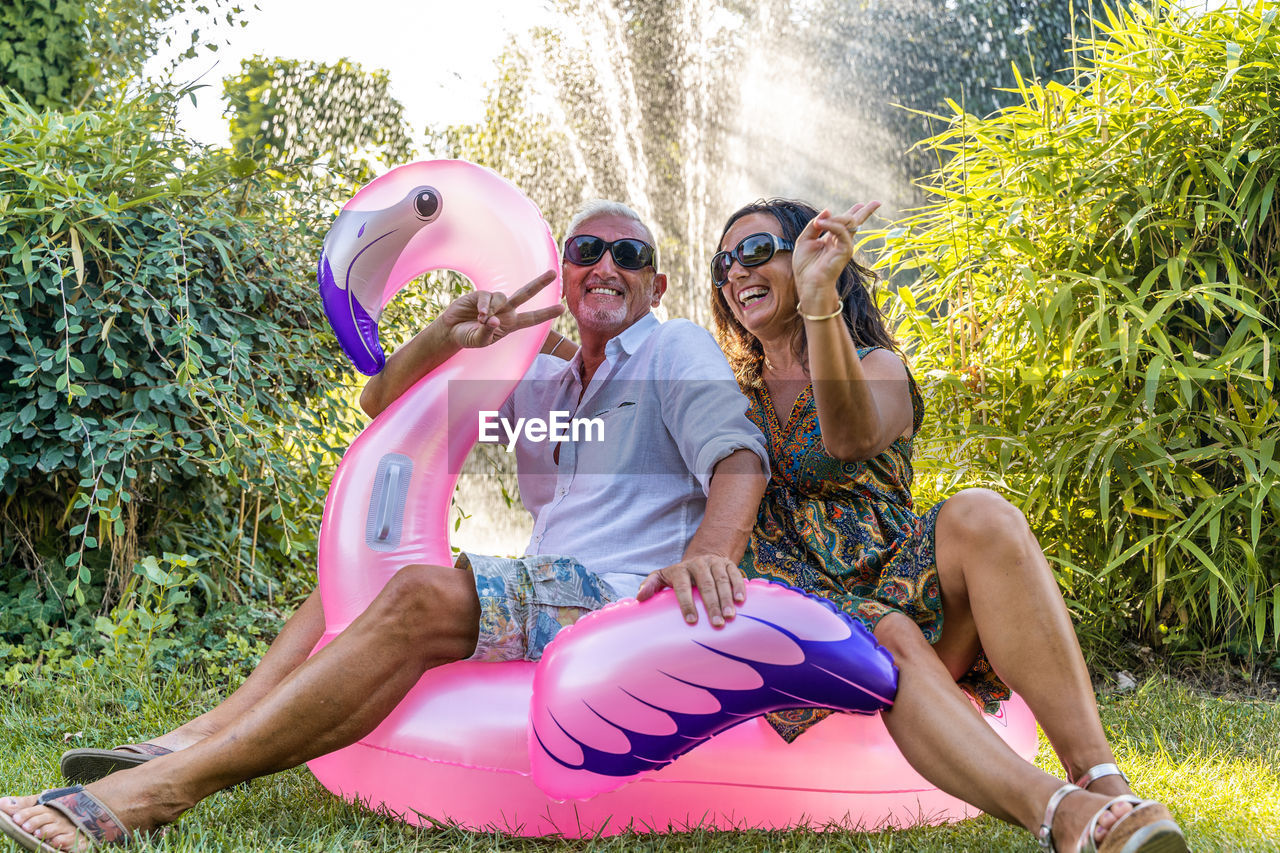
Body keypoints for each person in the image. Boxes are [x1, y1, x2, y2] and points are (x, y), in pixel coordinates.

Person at [0, 200, 770, 851]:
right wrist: (446, 335)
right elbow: (380, 405)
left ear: (655, 281)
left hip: (616, 597)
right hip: (551, 584)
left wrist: (705, 560)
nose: (607, 265)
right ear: (565, 274)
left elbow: (740, 457)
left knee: (414, 595)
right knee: (349, 577)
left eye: (628, 253)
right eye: (587, 250)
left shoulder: (673, 347)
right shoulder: (542, 376)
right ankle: (196, 732)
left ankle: (159, 790)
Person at [709, 197, 1188, 853]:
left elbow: (847, 437)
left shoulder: (878, 368)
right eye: (724, 260)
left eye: (758, 251)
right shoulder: (723, 394)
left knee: (981, 513)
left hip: (901, 586)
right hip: (807, 624)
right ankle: (1060, 815)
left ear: (810, 257)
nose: (737, 270)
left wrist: (819, 303)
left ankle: (1104, 782)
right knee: (888, 631)